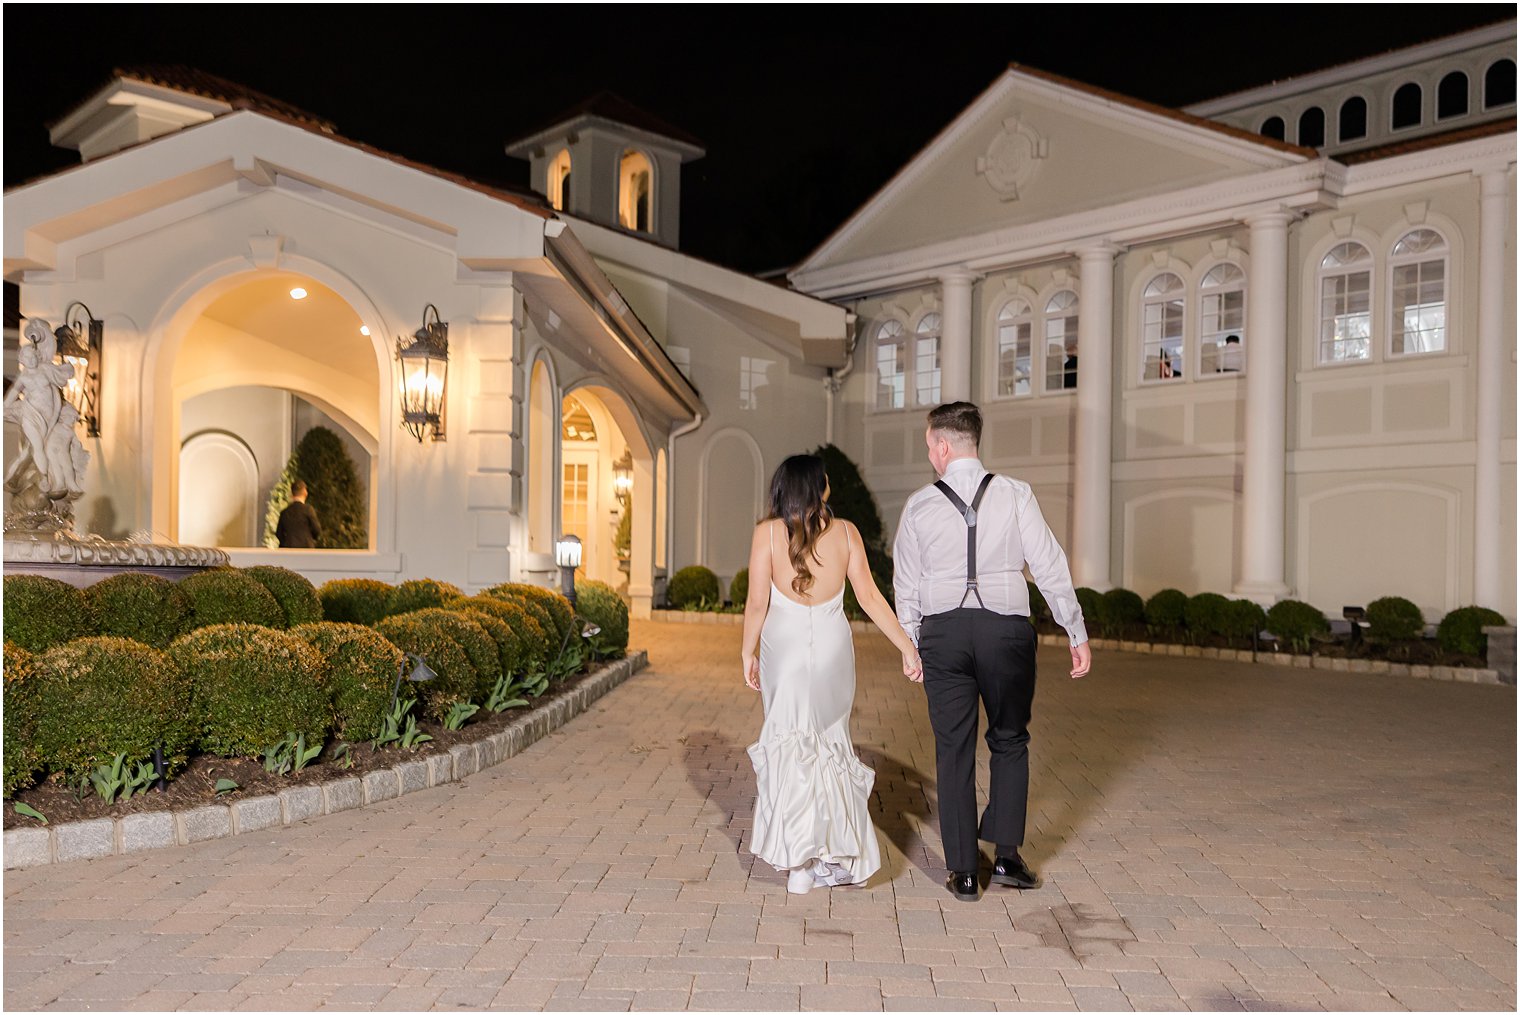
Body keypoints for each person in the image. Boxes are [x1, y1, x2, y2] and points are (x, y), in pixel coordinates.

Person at [893, 401, 1091, 903]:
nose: (931, 455)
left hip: (943, 635)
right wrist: (1075, 629)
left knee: (952, 749)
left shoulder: (919, 505)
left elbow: (906, 584)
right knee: (1009, 739)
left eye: (929, 446)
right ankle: (1005, 857)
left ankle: (962, 872)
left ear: (942, 445)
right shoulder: (1015, 494)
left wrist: (909, 642)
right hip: (1006, 631)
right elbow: (1049, 563)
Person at [741, 454, 922, 895]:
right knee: (828, 744)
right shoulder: (845, 533)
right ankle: (831, 854)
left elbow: (756, 604)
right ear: (822, 489)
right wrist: (906, 646)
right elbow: (871, 598)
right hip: (831, 648)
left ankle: (799, 864)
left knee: (790, 743)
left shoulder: (766, 534)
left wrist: (747, 652)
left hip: (781, 649)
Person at [275, 480, 322, 548]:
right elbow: (317, 530)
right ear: (305, 493)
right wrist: (309, 538)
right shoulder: (308, 510)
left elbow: (279, 533)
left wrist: (285, 543)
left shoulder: (284, 512)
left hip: (289, 551)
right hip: (306, 550)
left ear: (292, 494)